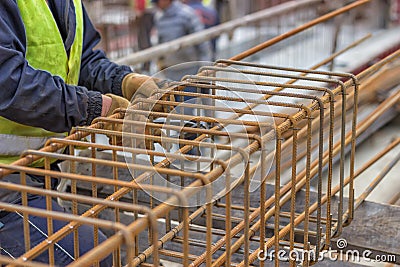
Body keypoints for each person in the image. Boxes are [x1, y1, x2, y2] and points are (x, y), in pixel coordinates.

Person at [0, 0, 168, 265]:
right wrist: (94, 108)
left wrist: (123, 82)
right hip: (7, 183)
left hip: (37, 171)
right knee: (95, 257)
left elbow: (80, 61)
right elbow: (7, 81)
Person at [151, 0, 211, 116]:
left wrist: (206, 68)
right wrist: (161, 63)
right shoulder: (159, 18)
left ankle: (213, 132)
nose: (156, 4)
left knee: (205, 108)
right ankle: (192, 133)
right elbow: (160, 43)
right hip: (173, 72)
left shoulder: (187, 15)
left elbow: (202, 43)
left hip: (192, 70)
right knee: (182, 112)